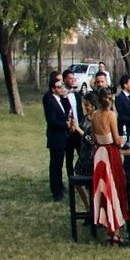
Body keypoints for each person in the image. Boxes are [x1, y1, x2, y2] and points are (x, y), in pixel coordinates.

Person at [88, 107, 129, 244]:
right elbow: (116, 140)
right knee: (114, 189)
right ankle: (115, 231)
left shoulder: (94, 115)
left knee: (104, 190)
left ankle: (108, 230)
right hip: (110, 153)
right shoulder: (111, 115)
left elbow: (94, 137)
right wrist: (121, 142)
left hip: (99, 154)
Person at [43, 72, 81, 202]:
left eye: (62, 86)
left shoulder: (60, 99)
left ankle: (60, 187)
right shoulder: (51, 102)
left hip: (62, 138)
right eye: (59, 87)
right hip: (55, 138)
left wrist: (65, 97)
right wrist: (65, 125)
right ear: (53, 89)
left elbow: (68, 110)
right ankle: (56, 191)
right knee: (56, 166)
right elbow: (52, 120)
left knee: (59, 163)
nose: (62, 88)